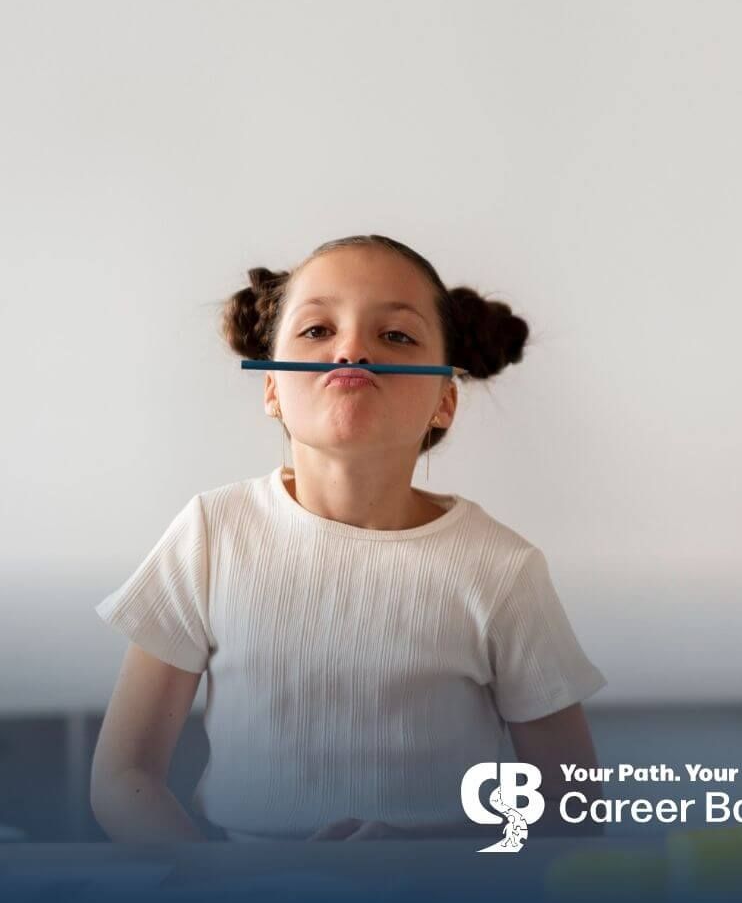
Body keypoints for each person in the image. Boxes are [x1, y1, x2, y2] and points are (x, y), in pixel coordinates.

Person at [91, 234, 606, 841]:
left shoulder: (501, 568)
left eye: (396, 336)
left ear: (445, 400)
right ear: (272, 388)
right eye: (316, 331)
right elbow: (125, 777)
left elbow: (568, 806)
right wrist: (223, 886)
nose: (353, 350)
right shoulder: (211, 534)